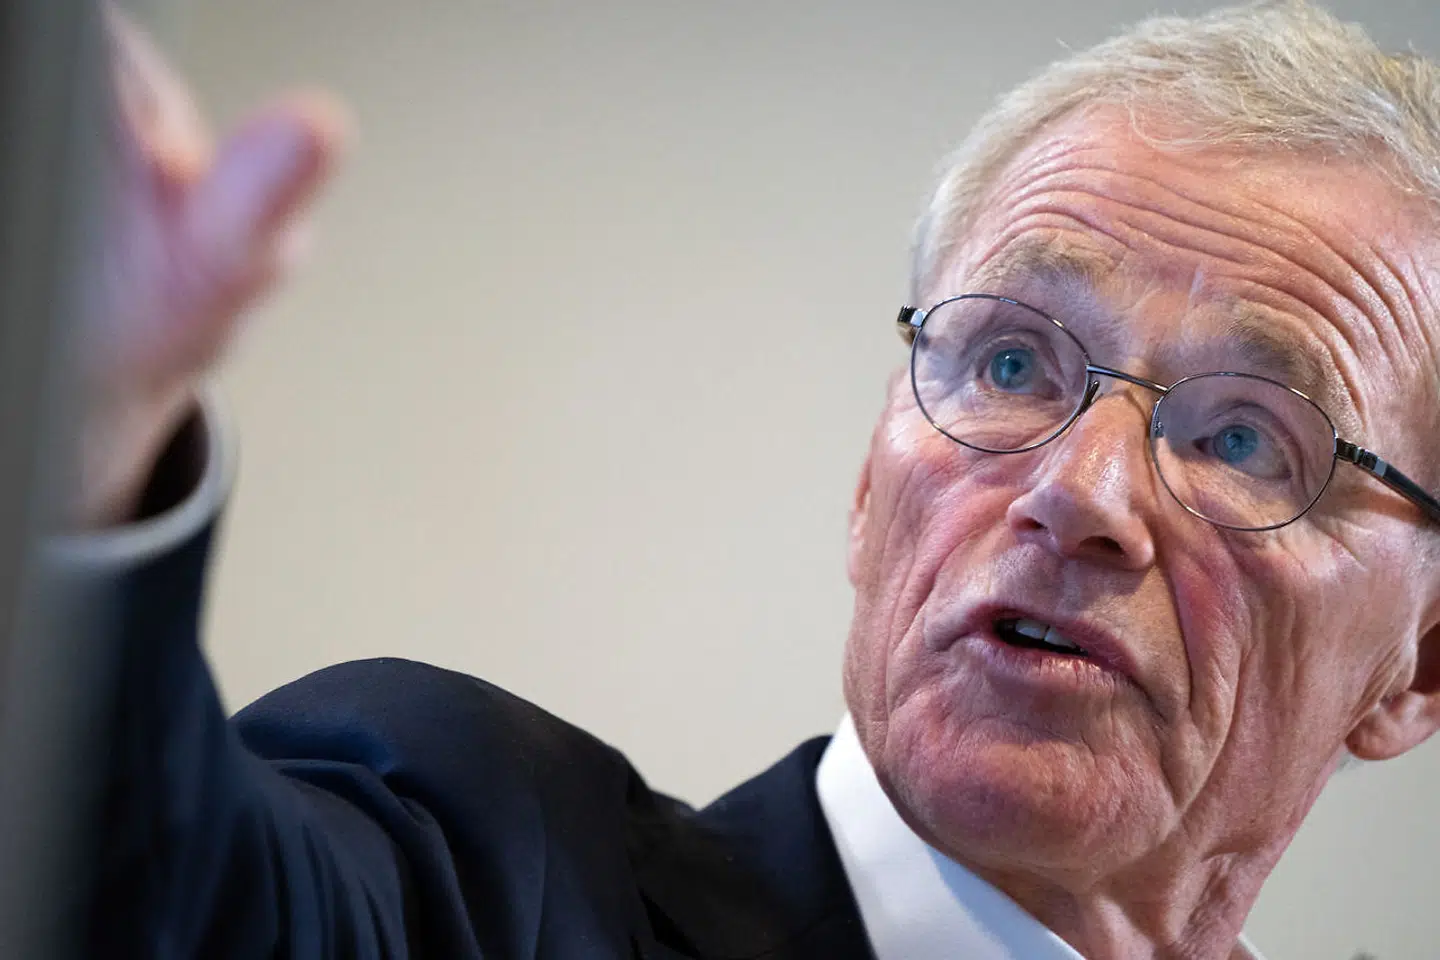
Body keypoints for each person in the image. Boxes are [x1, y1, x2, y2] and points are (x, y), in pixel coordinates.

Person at [72, 2, 1440, 957]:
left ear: (1419, 668)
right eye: (1014, 363)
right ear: (869, 484)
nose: (1079, 491)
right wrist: (77, 463)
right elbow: (147, 897)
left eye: (1245, 439)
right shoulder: (479, 872)